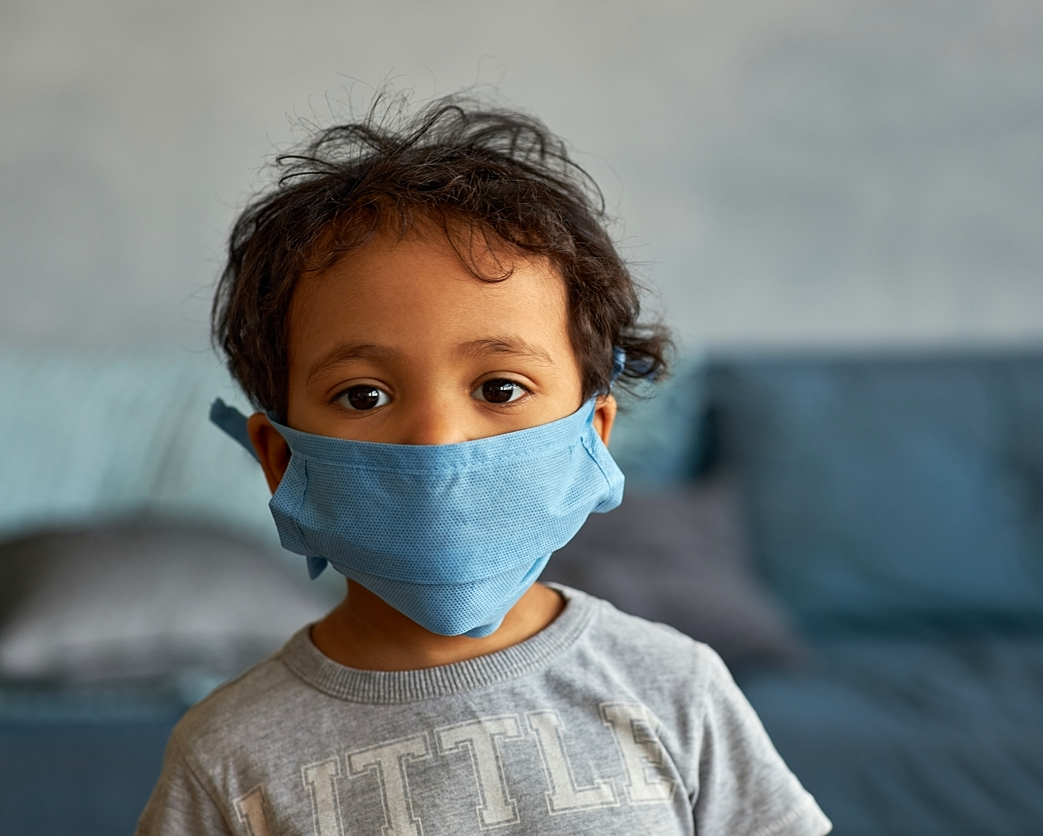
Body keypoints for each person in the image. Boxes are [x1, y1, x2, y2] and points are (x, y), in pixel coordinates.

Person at [137, 95, 831, 836]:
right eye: (364, 394)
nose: (438, 443)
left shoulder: (674, 687)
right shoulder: (226, 756)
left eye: (500, 388)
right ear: (280, 458)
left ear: (593, 435)